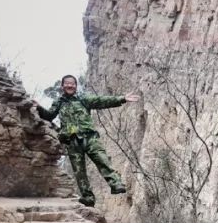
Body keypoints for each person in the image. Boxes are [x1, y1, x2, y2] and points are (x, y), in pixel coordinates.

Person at [34, 75, 139, 207]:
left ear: (76, 86)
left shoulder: (83, 98)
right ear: (62, 86)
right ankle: (87, 197)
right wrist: (38, 107)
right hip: (71, 141)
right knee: (79, 171)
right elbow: (49, 115)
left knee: (102, 160)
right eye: (67, 83)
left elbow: (101, 101)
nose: (70, 86)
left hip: (89, 138)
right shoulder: (59, 102)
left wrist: (121, 98)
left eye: (72, 83)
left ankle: (116, 184)